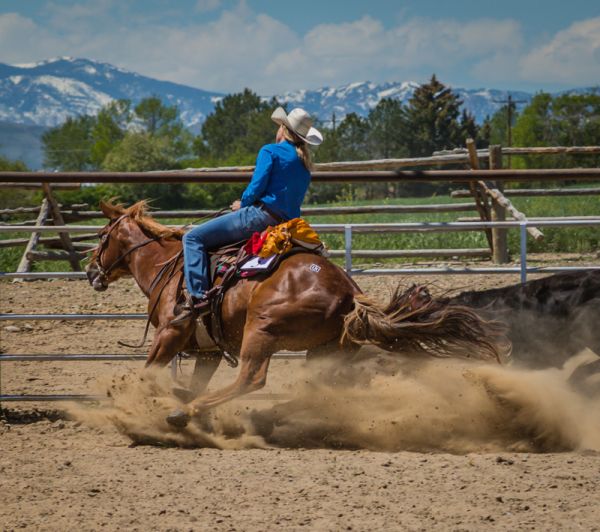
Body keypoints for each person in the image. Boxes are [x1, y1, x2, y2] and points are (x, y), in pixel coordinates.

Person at [172, 106, 323, 324]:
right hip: (287, 224)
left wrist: (241, 204)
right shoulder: (304, 163)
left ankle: (197, 298)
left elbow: (256, 187)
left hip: (260, 217)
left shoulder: (270, 151)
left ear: (283, 129)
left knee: (193, 238)